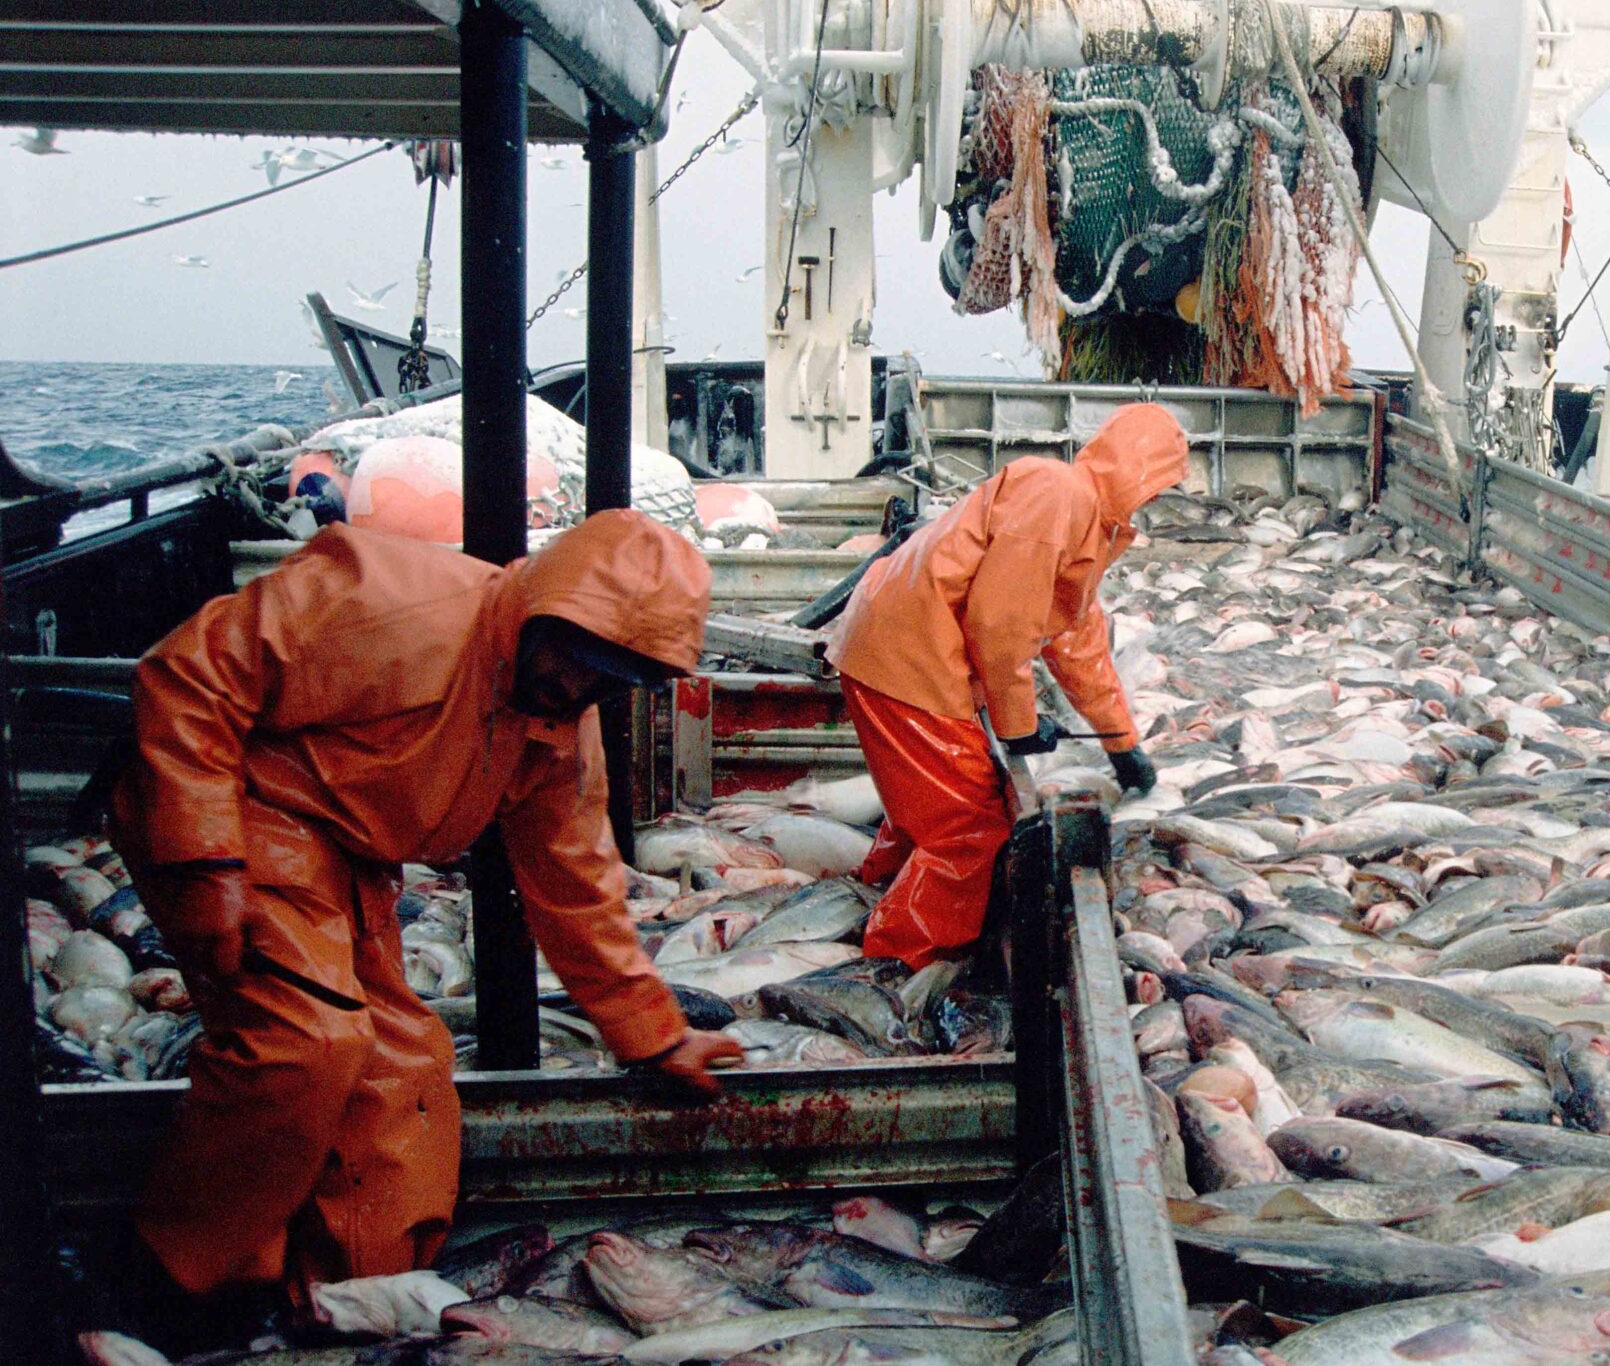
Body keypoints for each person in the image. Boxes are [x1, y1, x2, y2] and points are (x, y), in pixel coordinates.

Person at [108, 508, 742, 1338]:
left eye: (608, 676)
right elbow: (187, 677)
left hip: (349, 858)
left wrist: (653, 1034)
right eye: (573, 654)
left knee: (406, 1067)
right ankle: (166, 1288)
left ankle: (341, 1304)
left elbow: (575, 882)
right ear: (542, 610)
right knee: (307, 1043)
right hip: (239, 808)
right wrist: (205, 863)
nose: (576, 686)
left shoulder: (558, 729)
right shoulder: (391, 598)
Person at [828, 401, 1188, 969]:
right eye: (1157, 486)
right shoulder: (1058, 494)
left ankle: (868, 895)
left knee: (933, 802)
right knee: (969, 826)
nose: (1154, 500)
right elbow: (999, 623)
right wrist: (1019, 727)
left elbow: (1076, 641)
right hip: (910, 654)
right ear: (1135, 471)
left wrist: (1121, 742)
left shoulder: (1089, 522)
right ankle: (896, 963)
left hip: (902, 647)